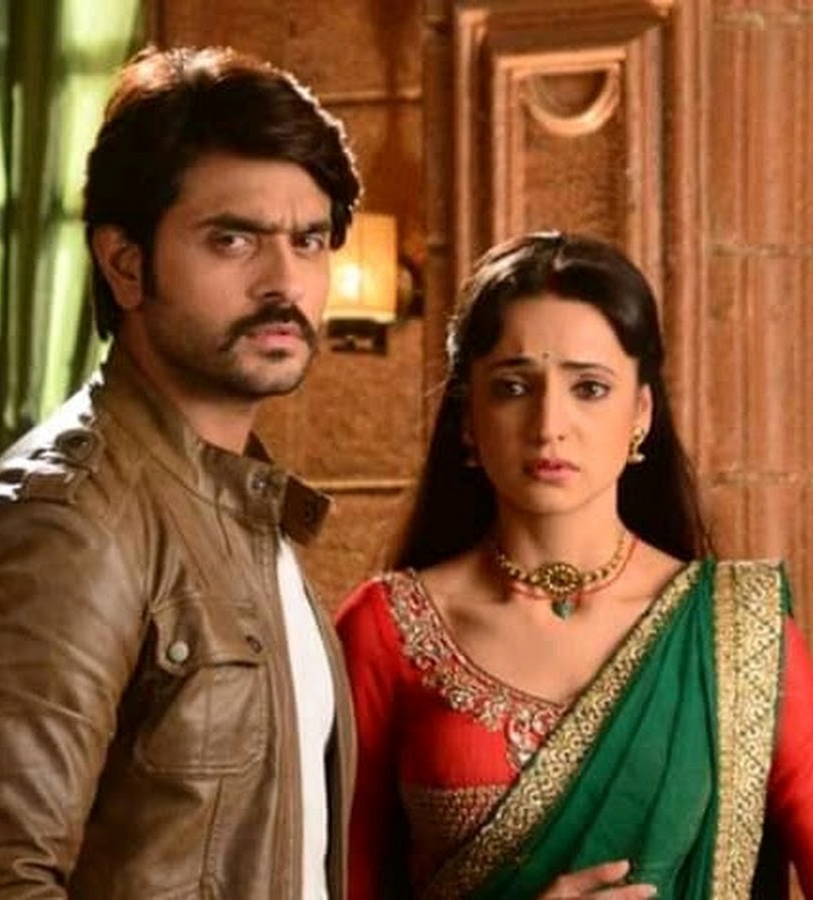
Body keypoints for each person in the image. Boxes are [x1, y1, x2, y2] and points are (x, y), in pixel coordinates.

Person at [0, 45, 362, 898]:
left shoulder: (241, 506)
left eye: (308, 241)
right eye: (233, 239)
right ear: (125, 263)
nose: (284, 281)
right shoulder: (60, 525)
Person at [336, 232, 813, 899]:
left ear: (641, 413)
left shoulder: (735, 633)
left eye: (589, 387)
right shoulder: (385, 628)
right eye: (513, 387)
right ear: (468, 418)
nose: (549, 424)